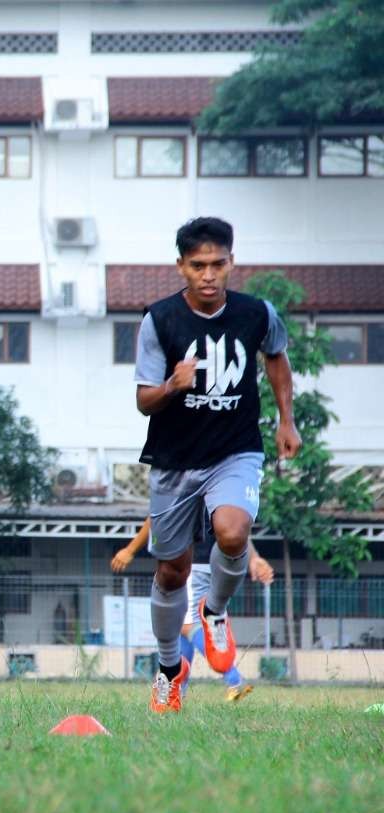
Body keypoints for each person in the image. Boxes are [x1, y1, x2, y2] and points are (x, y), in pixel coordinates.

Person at [134, 216, 300, 713]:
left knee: (232, 532)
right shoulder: (159, 320)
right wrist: (171, 386)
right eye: (198, 265)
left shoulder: (257, 313)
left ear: (232, 263)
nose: (208, 275)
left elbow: (276, 356)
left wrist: (286, 420)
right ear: (181, 267)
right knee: (171, 571)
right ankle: (168, 669)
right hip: (174, 461)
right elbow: (144, 400)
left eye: (218, 264)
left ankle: (215, 612)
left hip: (236, 449)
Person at [111, 518, 274, 701]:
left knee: (189, 625)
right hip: (219, 564)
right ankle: (175, 692)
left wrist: (130, 549)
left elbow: (157, 515)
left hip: (191, 563)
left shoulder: (183, 488)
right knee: (181, 629)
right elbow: (234, 524)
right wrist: (253, 557)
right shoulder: (219, 491)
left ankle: (234, 679)